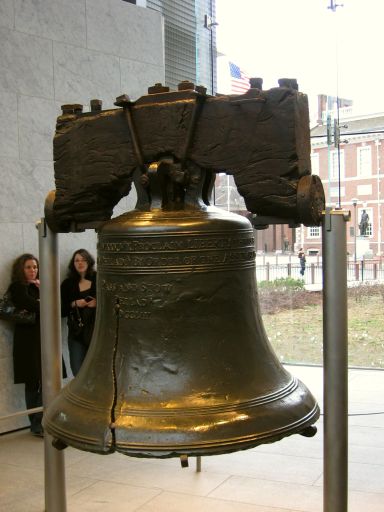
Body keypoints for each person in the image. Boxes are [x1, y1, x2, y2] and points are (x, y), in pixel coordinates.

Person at [8, 254, 43, 436]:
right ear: (21, 269)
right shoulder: (17, 287)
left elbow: (52, 305)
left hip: (44, 338)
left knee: (48, 381)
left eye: (35, 267)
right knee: (32, 383)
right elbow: (30, 304)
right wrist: (38, 303)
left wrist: (41, 292)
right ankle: (36, 425)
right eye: (28, 267)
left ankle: (41, 422)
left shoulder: (39, 286)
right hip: (27, 342)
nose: (32, 270)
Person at [61, 249, 97, 376]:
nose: (80, 263)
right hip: (76, 332)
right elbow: (60, 310)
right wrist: (74, 303)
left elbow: (112, 302)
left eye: (83, 260)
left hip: (96, 331)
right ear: (73, 264)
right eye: (77, 260)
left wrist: (97, 304)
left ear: (89, 262)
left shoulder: (98, 278)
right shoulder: (67, 284)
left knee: (95, 369)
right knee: (77, 370)